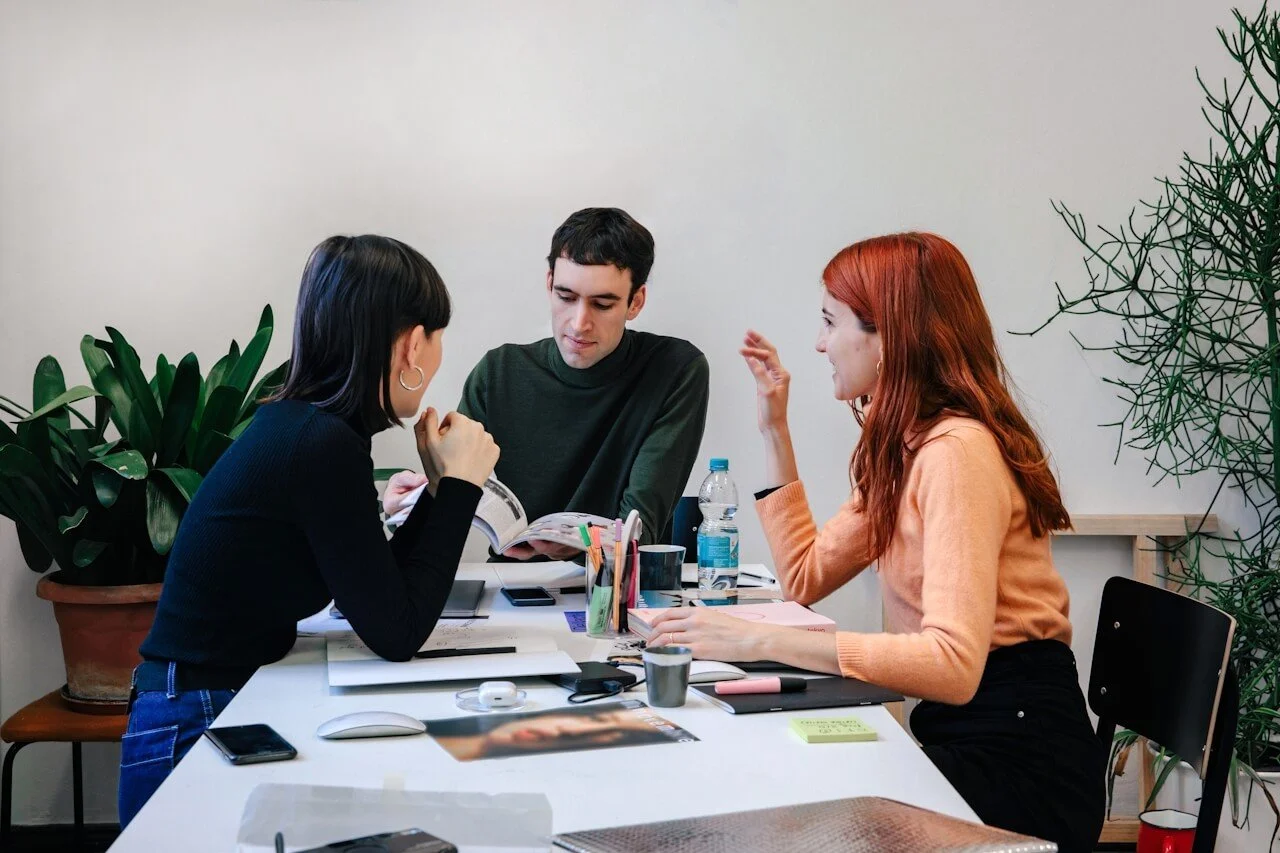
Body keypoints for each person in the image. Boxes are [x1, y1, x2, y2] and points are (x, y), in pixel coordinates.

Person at [647, 233, 1106, 852]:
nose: (818, 343)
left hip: (1023, 767)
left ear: (890, 336)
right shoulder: (906, 446)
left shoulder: (956, 455)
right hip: (967, 734)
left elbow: (952, 664)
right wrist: (773, 426)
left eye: (830, 322)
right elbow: (806, 577)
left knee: (794, 812)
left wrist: (757, 638)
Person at [117, 235, 499, 826]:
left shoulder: (310, 429)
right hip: (194, 719)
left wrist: (441, 486)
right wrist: (462, 488)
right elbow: (397, 632)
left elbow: (385, 592)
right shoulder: (320, 444)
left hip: (202, 703)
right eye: (439, 336)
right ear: (411, 345)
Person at [384, 208, 709, 559]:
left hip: (609, 589)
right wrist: (409, 504)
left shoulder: (674, 369)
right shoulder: (499, 371)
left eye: (602, 304)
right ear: (549, 282)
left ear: (636, 302)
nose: (579, 323)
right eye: (566, 297)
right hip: (513, 586)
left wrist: (581, 544)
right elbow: (448, 495)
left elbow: (637, 528)